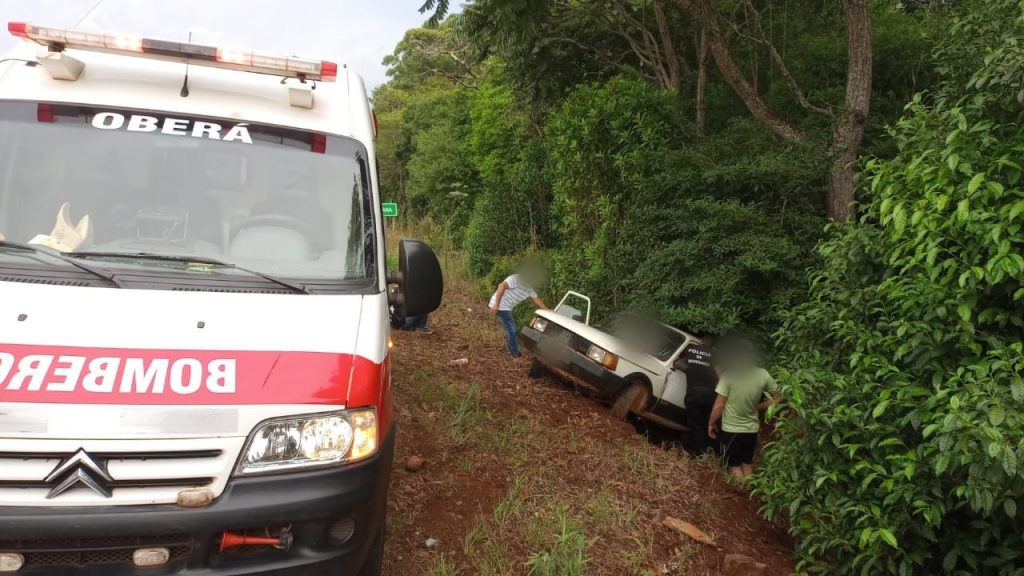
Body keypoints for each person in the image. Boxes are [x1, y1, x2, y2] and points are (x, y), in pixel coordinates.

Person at [707, 334, 780, 480]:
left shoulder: (729, 376)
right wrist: (759, 407)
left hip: (731, 431)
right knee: (747, 465)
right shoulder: (763, 374)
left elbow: (719, 405)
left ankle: (743, 493)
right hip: (751, 430)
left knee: (735, 466)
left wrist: (711, 423)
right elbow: (779, 397)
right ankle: (751, 495)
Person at [488, 261, 550, 357]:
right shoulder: (516, 278)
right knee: (512, 329)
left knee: (510, 328)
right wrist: (496, 305)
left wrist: (549, 311)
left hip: (506, 308)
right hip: (501, 306)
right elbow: (501, 286)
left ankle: (512, 349)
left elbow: (536, 300)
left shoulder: (529, 287)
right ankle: (515, 354)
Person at [679, 338, 719, 455]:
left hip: (693, 392)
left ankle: (700, 453)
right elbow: (720, 375)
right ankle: (710, 452)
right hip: (709, 394)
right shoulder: (714, 354)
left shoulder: (690, 348)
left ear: (700, 340)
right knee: (707, 424)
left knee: (695, 424)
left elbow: (677, 362)